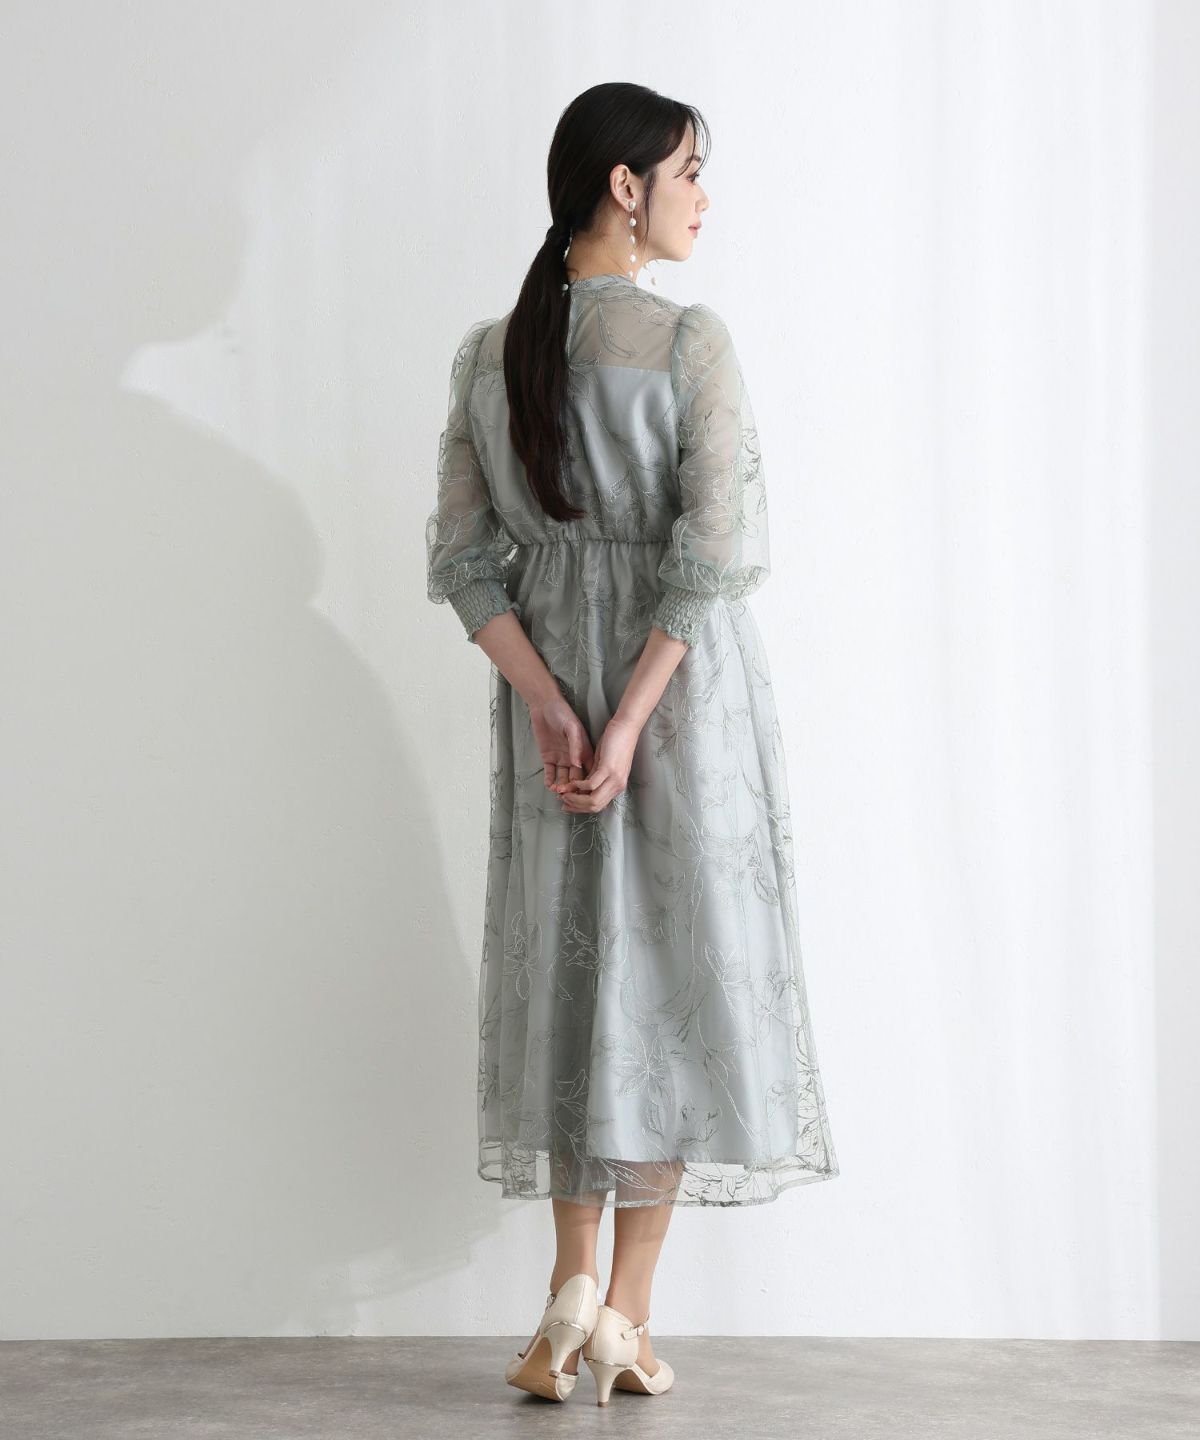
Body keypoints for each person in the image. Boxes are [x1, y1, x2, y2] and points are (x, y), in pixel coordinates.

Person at [425, 81, 840, 1404]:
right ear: (626, 185)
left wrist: (552, 703)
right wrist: (628, 711)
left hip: (548, 704)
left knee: (573, 980)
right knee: (665, 984)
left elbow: (463, 563)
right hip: (679, 707)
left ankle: (565, 1295)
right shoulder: (687, 343)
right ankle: (627, 1316)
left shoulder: (491, 354)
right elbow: (713, 549)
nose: (703, 199)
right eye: (690, 172)